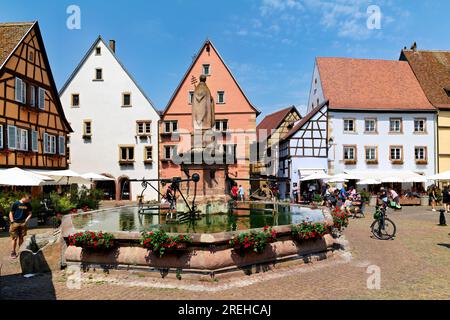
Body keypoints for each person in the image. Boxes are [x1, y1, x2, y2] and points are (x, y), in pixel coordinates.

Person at [9, 194, 33, 259]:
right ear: (24, 198)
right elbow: (11, 212)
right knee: (14, 238)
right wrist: (12, 221)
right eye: (28, 200)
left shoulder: (28, 204)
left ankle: (21, 251)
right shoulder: (16, 203)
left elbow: (30, 213)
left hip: (23, 223)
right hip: (15, 223)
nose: (28, 201)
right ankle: (13, 252)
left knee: (21, 237)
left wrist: (26, 220)